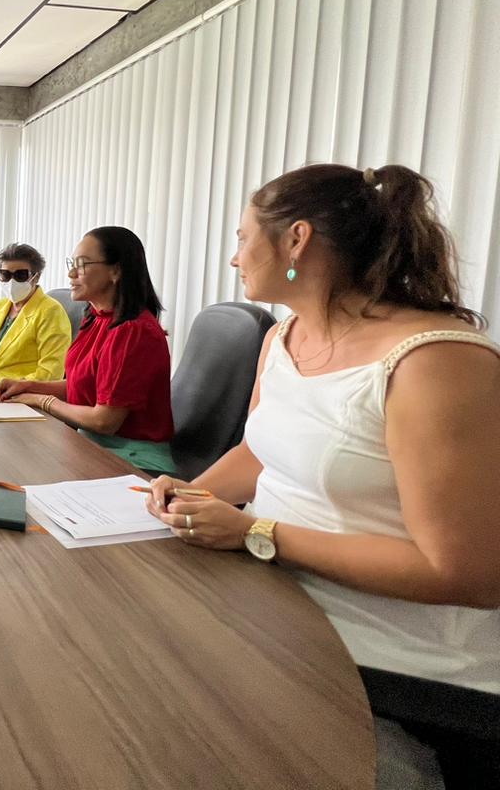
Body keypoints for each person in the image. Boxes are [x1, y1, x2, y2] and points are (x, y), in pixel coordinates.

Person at [145, 164, 499, 789]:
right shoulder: (284, 337)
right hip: (282, 611)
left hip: (397, 665)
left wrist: (258, 533)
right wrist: (190, 498)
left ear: (296, 240)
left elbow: (467, 574)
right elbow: (258, 454)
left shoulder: (434, 361)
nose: (234, 258)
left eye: (242, 238)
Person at [0, 227, 174, 475]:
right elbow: (85, 387)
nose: (70, 273)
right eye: (72, 263)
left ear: (116, 270)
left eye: (82, 265)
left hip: (134, 461)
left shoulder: (134, 330)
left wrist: (42, 400)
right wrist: (28, 386)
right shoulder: (97, 318)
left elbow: (104, 421)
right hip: (91, 445)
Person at [0, 243, 71, 381]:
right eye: (5, 275)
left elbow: (51, 372)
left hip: (21, 393)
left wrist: (14, 386)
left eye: (20, 275)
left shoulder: (51, 311)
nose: (11, 281)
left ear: (36, 277)